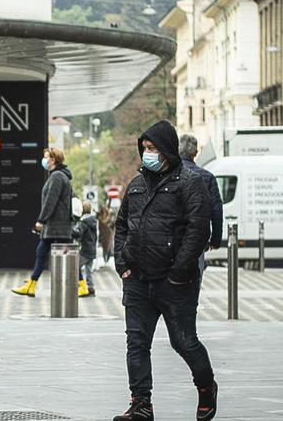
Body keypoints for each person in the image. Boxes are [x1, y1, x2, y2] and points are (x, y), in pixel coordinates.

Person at [113, 120, 217, 421]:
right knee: (137, 342)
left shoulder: (189, 182)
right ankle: (141, 404)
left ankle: (206, 386)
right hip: (137, 279)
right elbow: (121, 226)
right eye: (144, 148)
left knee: (183, 341)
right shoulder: (136, 185)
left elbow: (198, 229)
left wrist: (179, 271)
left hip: (174, 281)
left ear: (167, 149)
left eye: (153, 148)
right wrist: (122, 263)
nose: (147, 154)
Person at [12, 147, 73, 297]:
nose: (44, 160)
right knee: (48, 252)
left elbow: (50, 201)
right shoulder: (59, 175)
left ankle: (32, 285)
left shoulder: (57, 176)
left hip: (56, 225)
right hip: (58, 225)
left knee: (53, 252)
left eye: (46, 157)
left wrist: (41, 219)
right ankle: (32, 285)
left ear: (53, 160)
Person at [179, 134, 223, 275]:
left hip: (171, 239)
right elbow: (216, 210)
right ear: (196, 153)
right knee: (194, 282)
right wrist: (215, 240)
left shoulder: (169, 175)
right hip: (197, 239)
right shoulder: (207, 177)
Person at [72, 201, 97, 297]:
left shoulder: (84, 222)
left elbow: (78, 233)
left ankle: (82, 286)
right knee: (88, 270)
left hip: (85, 250)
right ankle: (91, 289)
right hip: (92, 249)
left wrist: (71, 230)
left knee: (75, 266)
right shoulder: (93, 221)